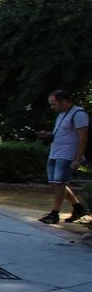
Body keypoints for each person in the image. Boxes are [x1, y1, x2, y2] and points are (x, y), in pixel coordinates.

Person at [41, 90, 87, 224]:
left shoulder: (79, 114)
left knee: (59, 183)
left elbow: (83, 137)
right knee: (56, 183)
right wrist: (48, 134)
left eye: (54, 104)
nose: (52, 107)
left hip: (67, 154)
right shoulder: (62, 114)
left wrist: (77, 159)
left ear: (64, 101)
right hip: (55, 152)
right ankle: (78, 208)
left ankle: (54, 214)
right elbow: (62, 133)